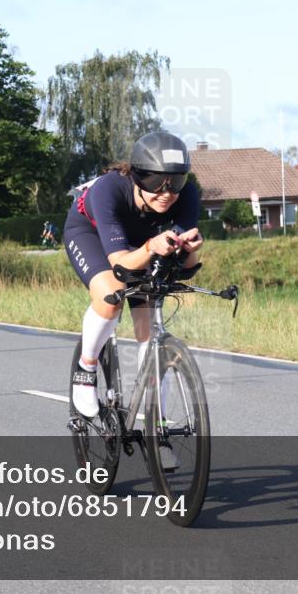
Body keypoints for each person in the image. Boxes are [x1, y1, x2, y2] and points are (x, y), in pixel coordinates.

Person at [64, 131, 203, 419]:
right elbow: (122, 266)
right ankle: (86, 368)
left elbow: (186, 269)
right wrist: (152, 246)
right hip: (89, 233)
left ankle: (157, 425)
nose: (167, 193)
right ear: (138, 177)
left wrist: (189, 250)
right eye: (156, 182)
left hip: (141, 244)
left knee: (149, 327)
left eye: (176, 182)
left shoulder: (187, 195)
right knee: (111, 295)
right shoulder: (109, 189)